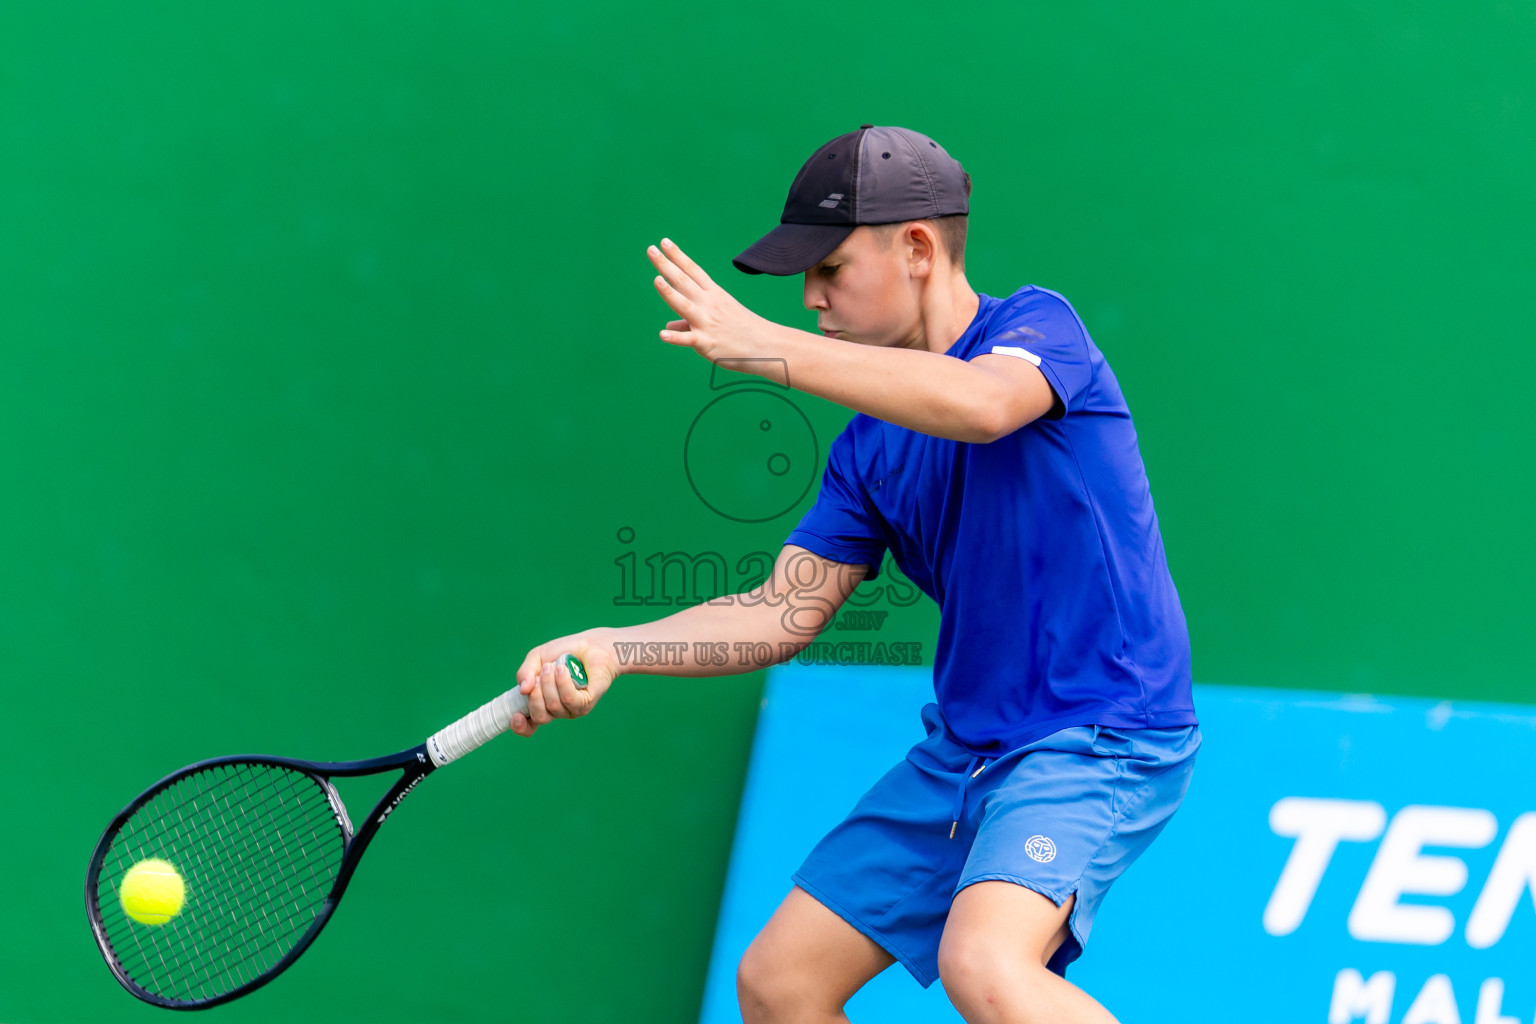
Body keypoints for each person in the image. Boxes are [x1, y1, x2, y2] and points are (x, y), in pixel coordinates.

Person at [510, 124, 1200, 1024]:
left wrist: (765, 349)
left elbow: (984, 406)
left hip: (1102, 732)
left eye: (830, 269)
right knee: (780, 984)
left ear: (917, 248)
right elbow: (777, 615)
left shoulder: (1039, 330)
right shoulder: (867, 450)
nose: (808, 298)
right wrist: (614, 645)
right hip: (969, 750)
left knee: (987, 964)